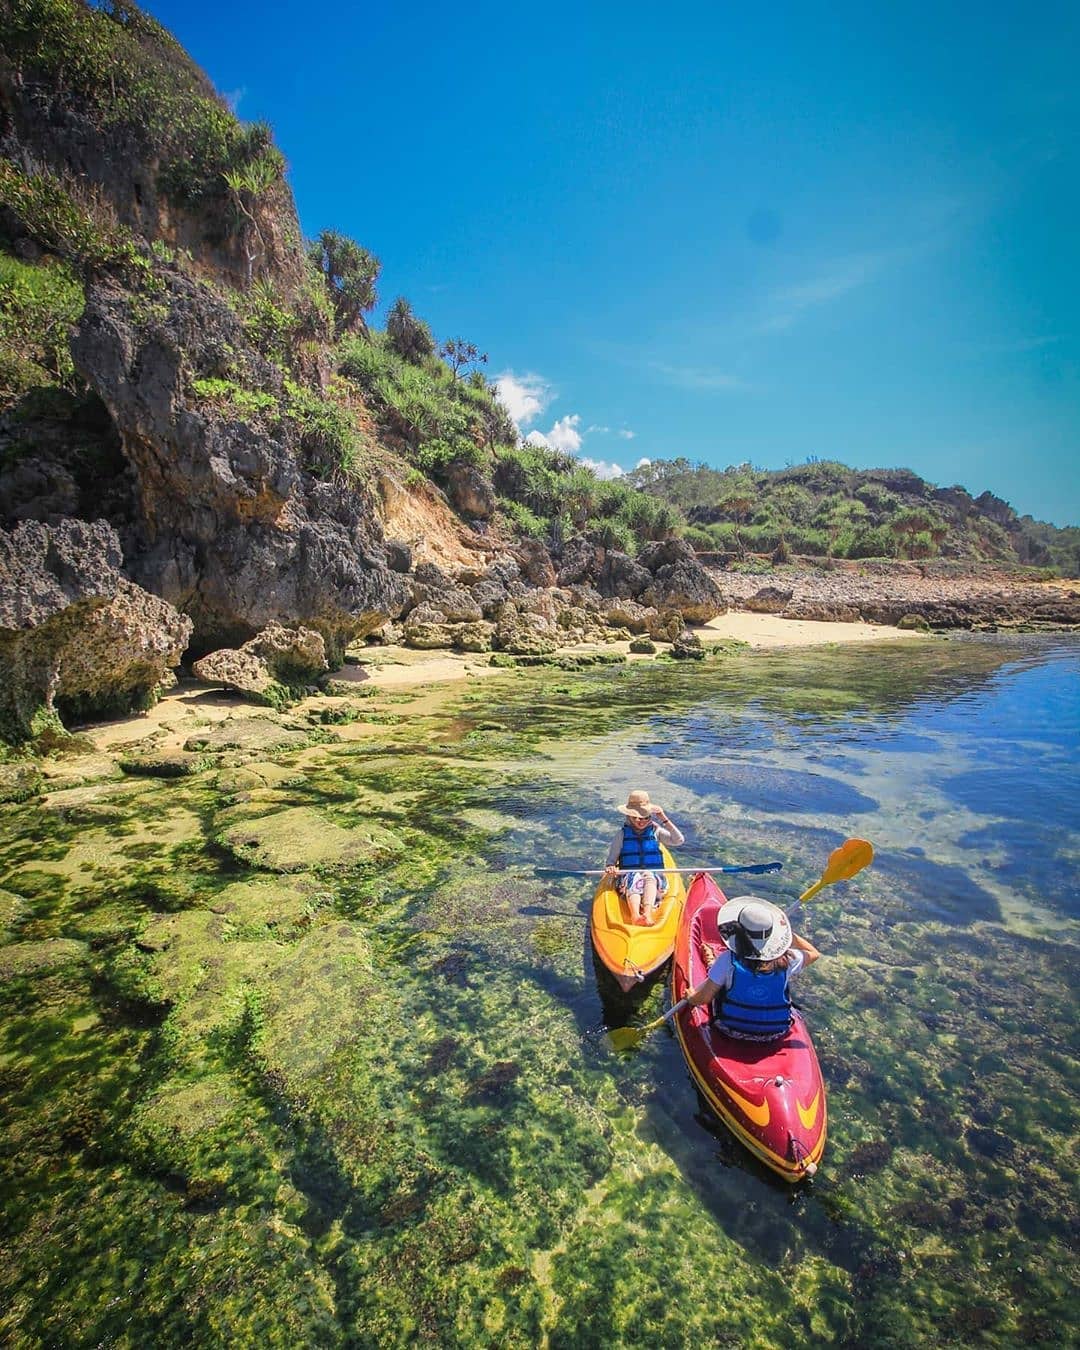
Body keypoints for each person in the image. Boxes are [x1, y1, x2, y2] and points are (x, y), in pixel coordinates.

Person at [684, 896, 820, 1039]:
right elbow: (814, 954)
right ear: (772, 936)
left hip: (730, 1029)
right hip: (776, 1032)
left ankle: (710, 959)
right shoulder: (789, 959)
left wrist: (691, 998)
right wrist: (789, 937)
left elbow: (704, 998)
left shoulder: (727, 960)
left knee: (721, 979)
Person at [603, 789, 685, 926]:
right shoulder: (622, 835)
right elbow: (611, 861)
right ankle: (635, 915)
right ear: (629, 816)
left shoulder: (656, 831)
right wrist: (610, 867)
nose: (640, 821)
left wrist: (664, 818)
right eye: (636, 817)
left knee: (649, 875)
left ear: (650, 817)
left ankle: (647, 913)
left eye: (645, 817)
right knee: (635, 876)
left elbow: (679, 840)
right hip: (628, 880)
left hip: (656, 881)